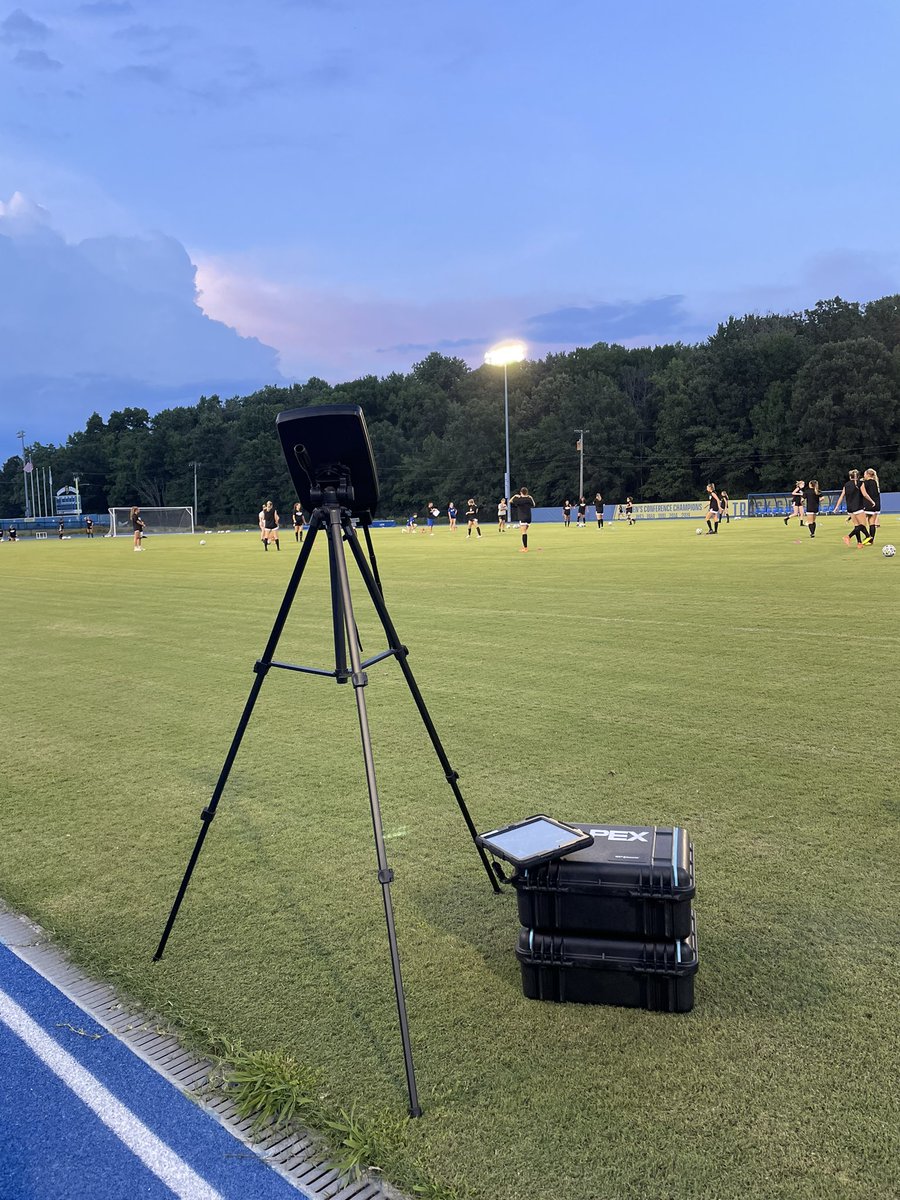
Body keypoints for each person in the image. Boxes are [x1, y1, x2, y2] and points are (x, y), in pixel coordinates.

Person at [831, 469, 873, 546]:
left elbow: (841, 496)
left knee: (857, 525)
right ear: (858, 476)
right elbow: (865, 494)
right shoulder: (860, 483)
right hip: (858, 507)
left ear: (850, 477)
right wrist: (872, 501)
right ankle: (848, 536)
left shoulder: (846, 485)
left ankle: (859, 543)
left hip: (850, 508)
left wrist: (836, 507)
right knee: (862, 525)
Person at [512, 487, 535, 552]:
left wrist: (514, 496)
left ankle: (525, 548)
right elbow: (534, 504)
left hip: (522, 517)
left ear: (521, 492)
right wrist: (531, 497)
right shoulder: (528, 499)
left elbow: (510, 501)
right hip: (529, 518)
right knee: (524, 532)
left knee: (523, 532)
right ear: (527, 492)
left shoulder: (519, 499)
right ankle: (524, 546)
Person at [862, 468, 881, 544]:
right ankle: (871, 540)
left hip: (869, 505)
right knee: (871, 522)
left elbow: (864, 493)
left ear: (868, 474)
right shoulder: (875, 482)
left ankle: (867, 536)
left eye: (864, 474)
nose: (864, 476)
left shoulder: (866, 483)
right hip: (876, 505)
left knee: (860, 523)